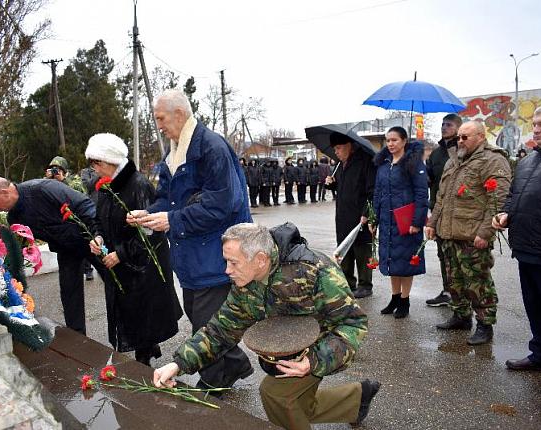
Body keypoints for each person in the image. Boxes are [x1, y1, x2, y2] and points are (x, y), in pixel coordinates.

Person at [153, 223, 380, 430]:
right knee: (296, 405)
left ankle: (354, 399)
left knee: (276, 395)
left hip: (322, 345)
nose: (227, 270)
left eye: (233, 262)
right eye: (226, 261)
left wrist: (314, 360)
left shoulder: (315, 271)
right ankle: (357, 399)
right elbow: (221, 329)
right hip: (285, 350)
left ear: (260, 259)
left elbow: (353, 322)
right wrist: (178, 364)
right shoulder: (245, 281)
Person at [127, 89, 253, 390]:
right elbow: (169, 201)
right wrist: (147, 215)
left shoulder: (211, 147)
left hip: (216, 251)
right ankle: (234, 362)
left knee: (205, 323)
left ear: (179, 114)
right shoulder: (173, 151)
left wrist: (171, 220)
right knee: (199, 314)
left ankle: (214, 382)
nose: (158, 125)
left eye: (160, 118)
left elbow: (222, 205)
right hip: (190, 253)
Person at [84, 133, 182, 366]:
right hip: (120, 267)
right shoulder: (106, 186)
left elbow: (151, 231)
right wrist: (97, 237)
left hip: (142, 266)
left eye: (96, 163)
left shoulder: (138, 185)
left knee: (142, 315)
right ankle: (144, 351)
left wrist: (121, 254)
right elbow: (97, 218)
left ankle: (144, 362)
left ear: (108, 161)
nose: (94, 169)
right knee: (129, 315)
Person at [493, 103, 541, 396]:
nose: (536, 129)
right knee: (536, 307)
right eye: (535, 124)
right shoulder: (527, 161)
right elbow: (514, 196)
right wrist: (506, 214)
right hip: (527, 249)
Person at [0, 177, 105, 335]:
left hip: (91, 240)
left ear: (4, 193)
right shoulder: (14, 218)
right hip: (67, 248)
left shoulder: (42, 189)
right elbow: (19, 250)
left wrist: (98, 235)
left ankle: (128, 329)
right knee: (69, 292)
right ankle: (78, 337)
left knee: (114, 283)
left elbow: (84, 205)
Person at [426, 120, 511, 345]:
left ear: (481, 137)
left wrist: (485, 232)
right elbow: (442, 196)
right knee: (454, 279)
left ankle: (485, 324)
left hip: (473, 234)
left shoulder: (493, 160)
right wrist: (433, 223)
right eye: (459, 137)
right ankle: (461, 316)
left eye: (465, 137)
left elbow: (497, 201)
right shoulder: (454, 160)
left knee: (478, 282)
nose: (460, 141)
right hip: (449, 232)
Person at [372, 127, 428, 318]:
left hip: (406, 220)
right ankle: (395, 297)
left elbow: (422, 193)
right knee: (391, 260)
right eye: (388, 140)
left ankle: (405, 300)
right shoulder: (383, 164)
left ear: (404, 141)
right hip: (387, 221)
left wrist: (417, 221)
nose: (390, 144)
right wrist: (375, 218)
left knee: (405, 261)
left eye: (394, 140)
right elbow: (377, 193)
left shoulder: (414, 163)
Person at [325, 132, 377, 299]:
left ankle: (365, 285)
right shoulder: (340, 165)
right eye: (334, 149)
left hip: (360, 214)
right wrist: (332, 185)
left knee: (362, 251)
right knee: (345, 249)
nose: (337, 152)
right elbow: (342, 187)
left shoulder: (365, 162)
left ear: (349, 146)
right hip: (343, 215)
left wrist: (367, 213)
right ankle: (348, 282)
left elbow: (372, 191)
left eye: (339, 148)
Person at [425, 114, 462, 307]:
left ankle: (462, 295)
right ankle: (447, 290)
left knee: (459, 255)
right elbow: (428, 178)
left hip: (459, 211)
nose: (444, 127)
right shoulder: (436, 153)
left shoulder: (463, 149)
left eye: (449, 125)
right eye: (442, 124)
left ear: (458, 128)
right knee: (443, 253)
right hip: (438, 210)